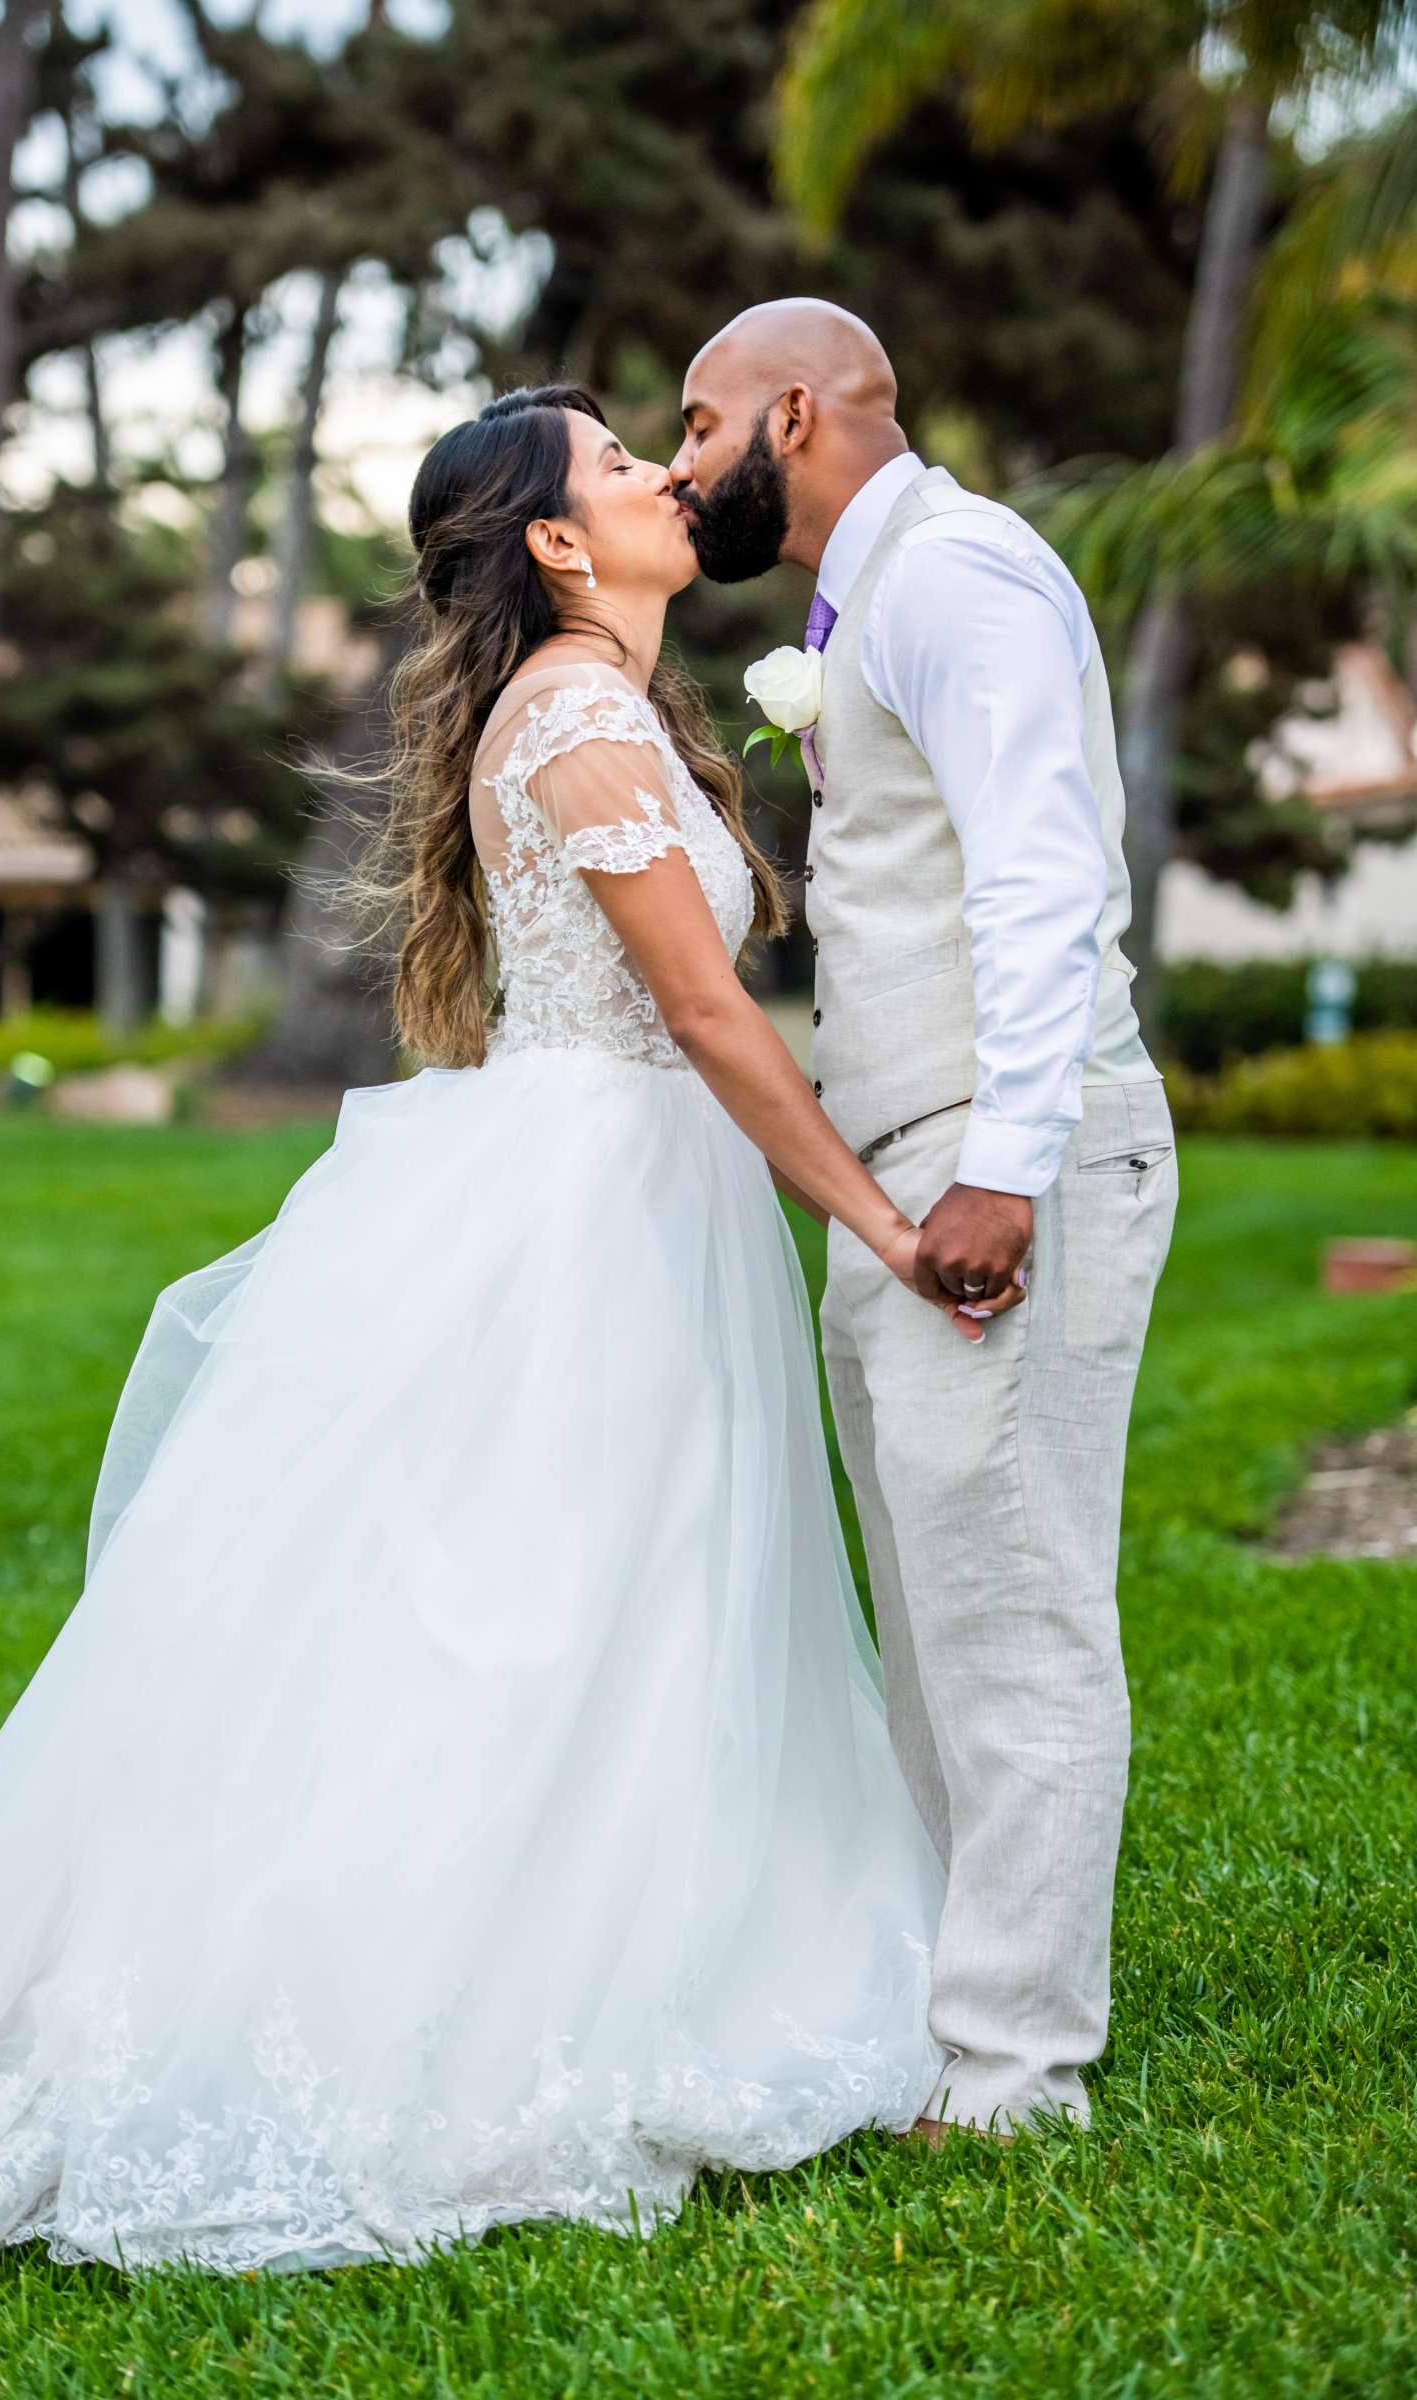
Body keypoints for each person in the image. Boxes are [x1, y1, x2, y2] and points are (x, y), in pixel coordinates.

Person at [0, 386, 1007, 2295]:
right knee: (556, 1599)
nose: (659, 476)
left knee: (620, 1591)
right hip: (591, 1204)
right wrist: (881, 1221)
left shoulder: (598, 710)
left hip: (613, 1181)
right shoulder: (584, 718)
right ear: (552, 541)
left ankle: (653, 1912)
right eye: (620, 462)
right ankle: (481, 1977)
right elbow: (707, 1020)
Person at [672, 300, 1178, 2139]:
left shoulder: (959, 574)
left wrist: (1005, 1166)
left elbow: (1048, 876)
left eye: (700, 418)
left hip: (993, 1153)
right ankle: (957, 2001)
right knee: (932, 1596)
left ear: (793, 414)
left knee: (1014, 1607)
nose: (678, 459)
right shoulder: (868, 599)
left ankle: (1019, 2066)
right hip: (902, 1162)